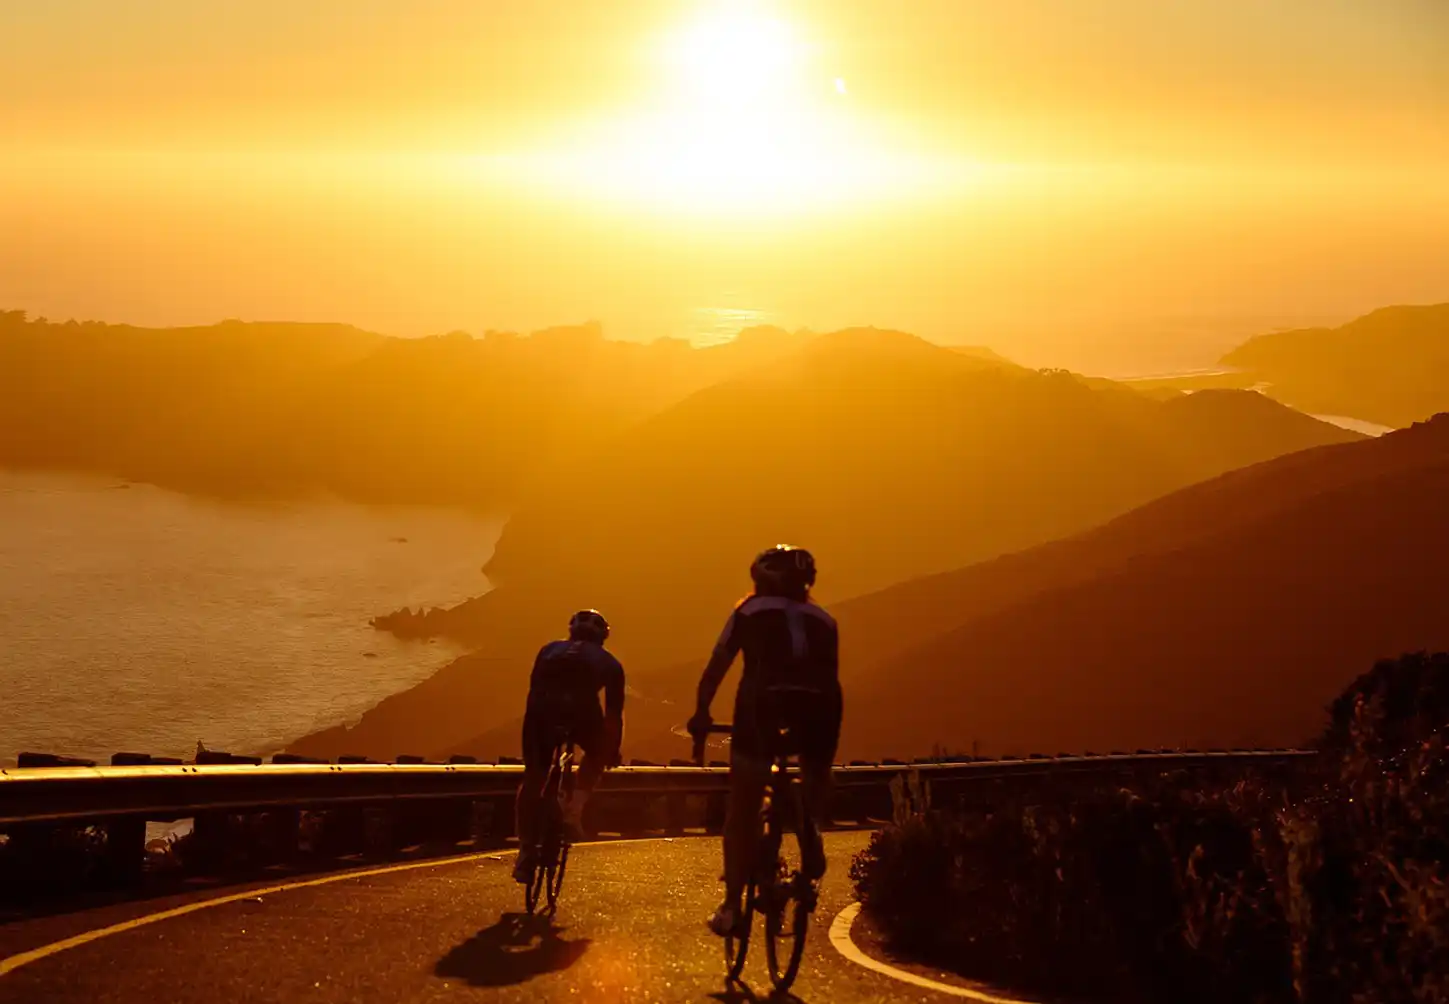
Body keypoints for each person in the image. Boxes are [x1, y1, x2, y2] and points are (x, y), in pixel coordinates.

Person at [687, 545, 842, 937]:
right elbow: (829, 680)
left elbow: (716, 667)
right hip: (821, 709)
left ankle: (731, 908)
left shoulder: (748, 612)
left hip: (762, 707)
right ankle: (810, 829)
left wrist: (702, 713)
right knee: (814, 773)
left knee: (742, 809)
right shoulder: (826, 620)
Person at [512, 609, 625, 884]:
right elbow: (613, 714)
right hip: (582, 716)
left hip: (541, 714)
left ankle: (525, 850)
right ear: (603, 637)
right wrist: (612, 748)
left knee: (534, 777)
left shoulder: (548, 649)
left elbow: (533, 689)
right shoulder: (610, 663)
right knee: (598, 753)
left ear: (571, 631)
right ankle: (574, 810)